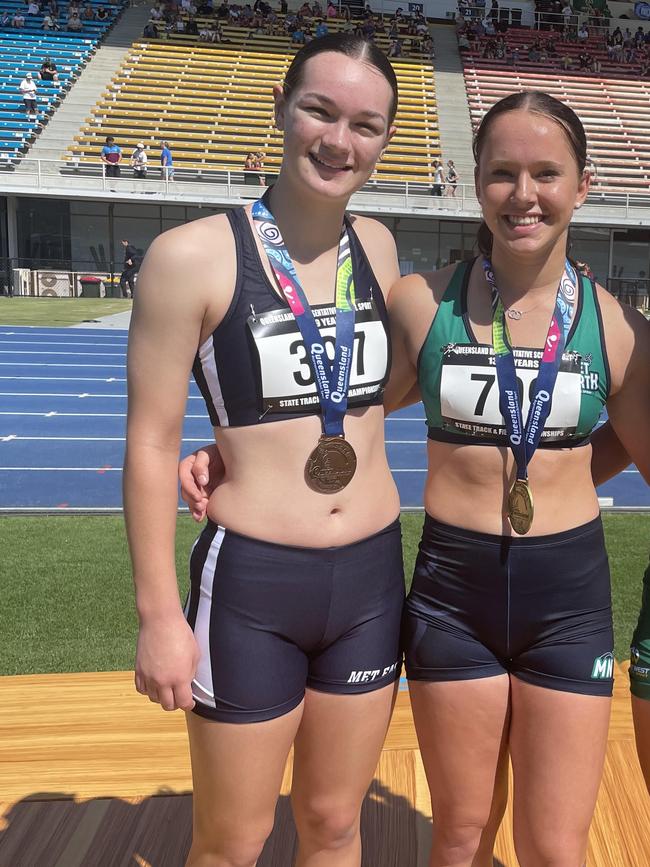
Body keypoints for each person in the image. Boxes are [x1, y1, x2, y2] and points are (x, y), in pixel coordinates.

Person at [124, 34, 410, 867]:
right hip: (254, 585)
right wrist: (157, 617)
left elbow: (375, 393)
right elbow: (148, 442)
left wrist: (244, 440)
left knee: (333, 824)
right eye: (319, 110)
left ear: (386, 139)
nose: (338, 139)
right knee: (231, 840)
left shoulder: (382, 250)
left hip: (369, 578)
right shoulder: (192, 256)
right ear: (282, 111)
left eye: (365, 123)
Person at [386, 90, 650, 866]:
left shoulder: (617, 328)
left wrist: (560, 464)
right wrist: (230, 451)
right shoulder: (420, 304)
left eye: (545, 173)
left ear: (582, 185)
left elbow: (639, 445)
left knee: (553, 846)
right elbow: (344, 419)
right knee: (462, 835)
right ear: (476, 180)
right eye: (503, 173)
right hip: (452, 594)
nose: (524, 194)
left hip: (567, 600)